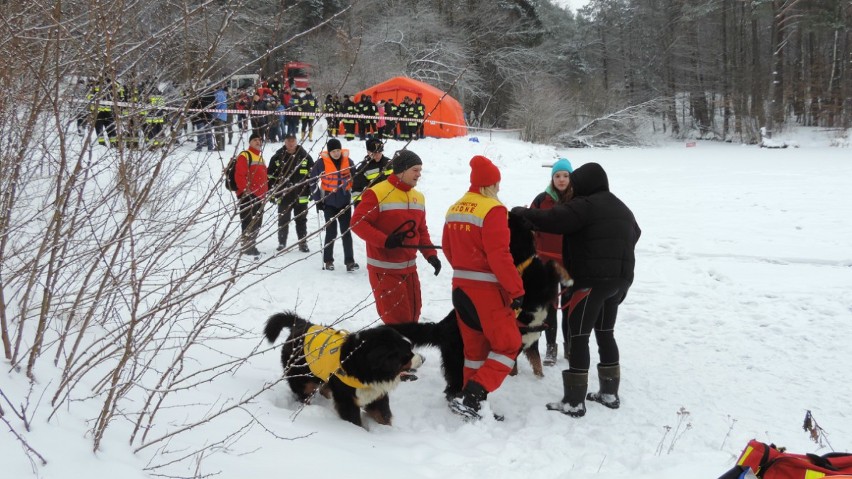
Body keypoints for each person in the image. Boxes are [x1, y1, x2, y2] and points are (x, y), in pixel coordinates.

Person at [511, 162, 640, 418]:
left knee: (579, 336)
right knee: (605, 333)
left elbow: (553, 219)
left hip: (591, 282)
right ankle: (609, 393)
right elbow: (635, 233)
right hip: (618, 282)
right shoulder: (621, 207)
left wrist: (521, 213)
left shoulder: (586, 205)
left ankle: (573, 401)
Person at [442, 155, 524, 420]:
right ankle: (474, 394)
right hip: (487, 293)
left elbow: (447, 248)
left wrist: (464, 270)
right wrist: (516, 290)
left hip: (460, 289)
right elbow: (499, 255)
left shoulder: (455, 207)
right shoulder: (493, 209)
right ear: (492, 184)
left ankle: (470, 403)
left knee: (474, 350)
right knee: (508, 345)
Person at [352, 149, 440, 325]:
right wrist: (385, 240)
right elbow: (357, 223)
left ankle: (406, 350)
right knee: (398, 320)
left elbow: (421, 230)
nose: (419, 174)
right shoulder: (377, 192)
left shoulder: (418, 197)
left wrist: (431, 255)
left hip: (409, 269)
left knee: (414, 314)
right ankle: (398, 352)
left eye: (420, 170)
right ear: (402, 170)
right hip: (385, 269)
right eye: (415, 170)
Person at [529, 158, 574, 366]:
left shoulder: (577, 200)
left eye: (565, 175)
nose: (561, 179)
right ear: (552, 178)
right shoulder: (541, 200)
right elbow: (530, 225)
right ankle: (551, 346)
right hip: (546, 263)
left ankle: (570, 345)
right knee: (549, 307)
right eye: (557, 176)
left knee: (569, 307)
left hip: (569, 264)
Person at [310, 138, 358, 271]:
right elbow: (312, 181)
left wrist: (357, 196)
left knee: (346, 231)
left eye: (338, 150)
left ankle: (350, 261)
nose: (336, 153)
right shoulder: (321, 163)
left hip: (345, 202)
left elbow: (357, 177)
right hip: (329, 202)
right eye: (333, 151)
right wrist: (317, 200)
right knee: (331, 232)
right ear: (329, 152)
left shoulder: (348, 161)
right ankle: (328, 260)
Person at [267, 133, 314, 252]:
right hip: (284, 196)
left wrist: (312, 190)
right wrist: (272, 192)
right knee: (283, 220)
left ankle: (302, 243)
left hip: (301, 195)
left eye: (293, 140)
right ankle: (282, 243)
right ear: (285, 142)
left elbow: (313, 176)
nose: (291, 143)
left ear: (296, 142)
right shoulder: (277, 157)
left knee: (301, 220)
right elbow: (270, 176)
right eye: (289, 141)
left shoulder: (305, 157)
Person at [234, 133, 268, 256]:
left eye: (259, 140)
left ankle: (251, 244)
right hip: (249, 195)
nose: (258, 142)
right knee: (249, 222)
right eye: (255, 140)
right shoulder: (245, 155)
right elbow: (239, 174)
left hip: (260, 196)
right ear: (250, 142)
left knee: (257, 223)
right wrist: (245, 191)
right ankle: (247, 247)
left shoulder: (260, 158)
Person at [351, 138, 393, 204]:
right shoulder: (362, 169)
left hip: (390, 203)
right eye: (374, 153)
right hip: (373, 204)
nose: (377, 155)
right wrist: (360, 207)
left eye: (379, 152)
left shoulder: (390, 164)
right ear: (368, 152)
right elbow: (357, 191)